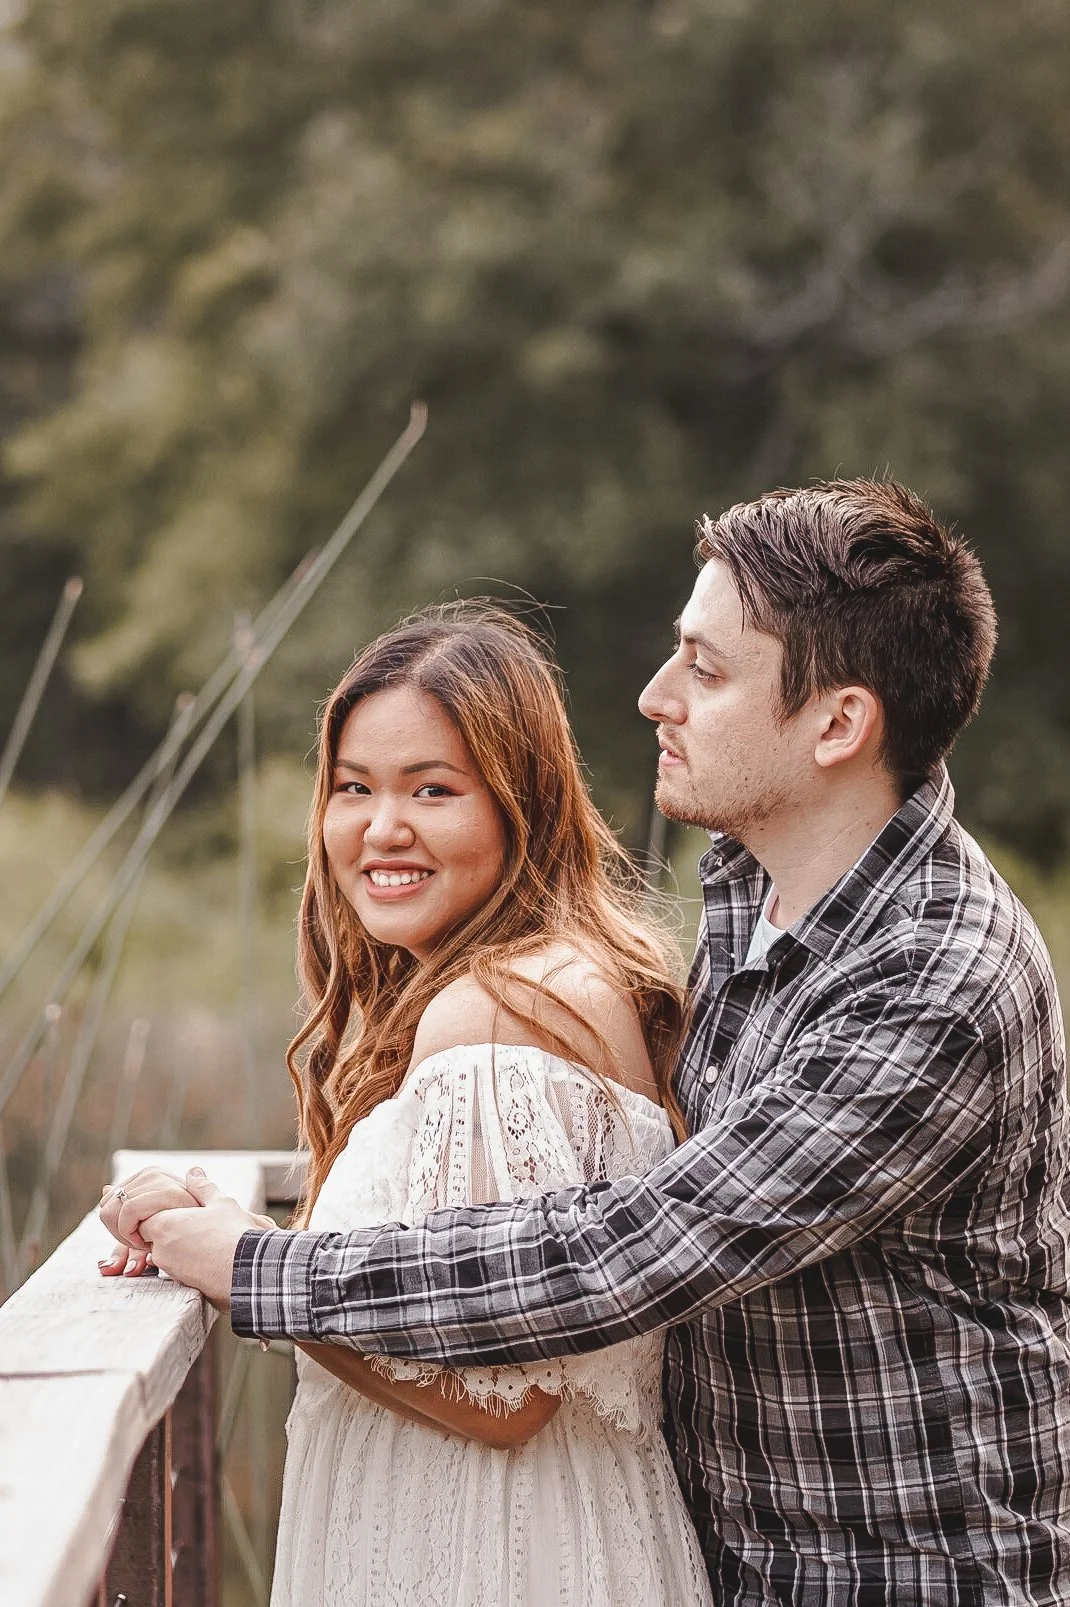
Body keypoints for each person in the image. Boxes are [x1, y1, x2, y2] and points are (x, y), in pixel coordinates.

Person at [106, 478, 1070, 1606]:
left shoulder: (931, 976)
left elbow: (631, 1249)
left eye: (706, 670)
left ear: (838, 723)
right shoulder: (754, 895)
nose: (656, 695)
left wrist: (260, 1267)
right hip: (733, 1564)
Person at [101, 602, 715, 1607]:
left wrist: (243, 1266)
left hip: (495, 1553)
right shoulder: (536, 980)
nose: (381, 827)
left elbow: (509, 1392)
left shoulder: (499, 1014)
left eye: (432, 789)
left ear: (520, 804)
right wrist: (225, 1234)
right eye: (353, 788)